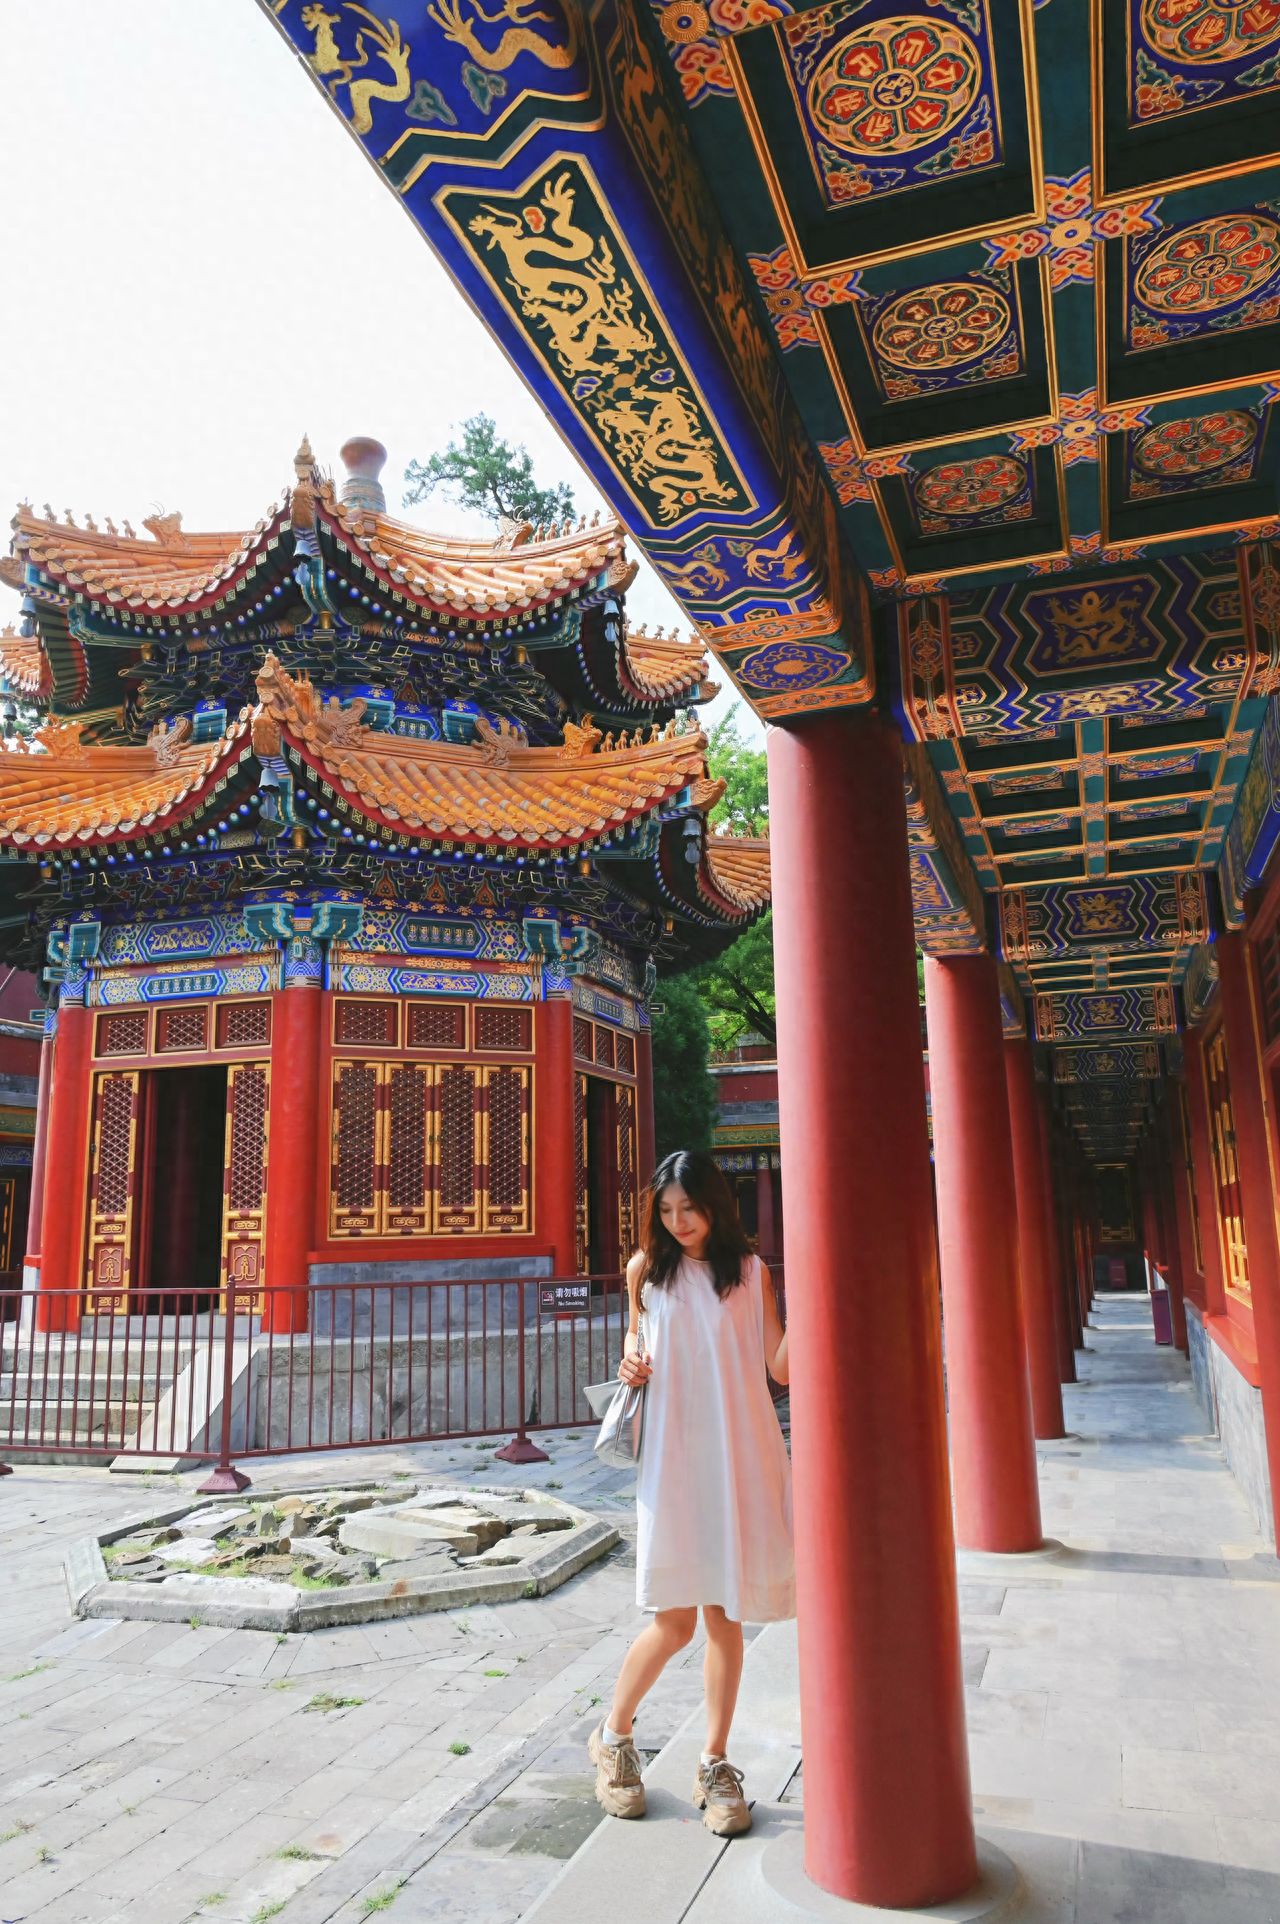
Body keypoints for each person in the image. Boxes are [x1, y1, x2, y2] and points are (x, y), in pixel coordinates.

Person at [587, 1147, 793, 1837]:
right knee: (673, 1621)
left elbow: (778, 1365)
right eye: (667, 1211)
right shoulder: (647, 1270)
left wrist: (821, 1299)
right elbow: (637, 1343)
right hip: (673, 1458)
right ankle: (615, 1738)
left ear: (716, 1207)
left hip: (738, 1453)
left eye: (690, 1209)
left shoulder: (750, 1272)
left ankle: (715, 1762)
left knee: (725, 1616)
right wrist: (629, 1357)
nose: (678, 1222)